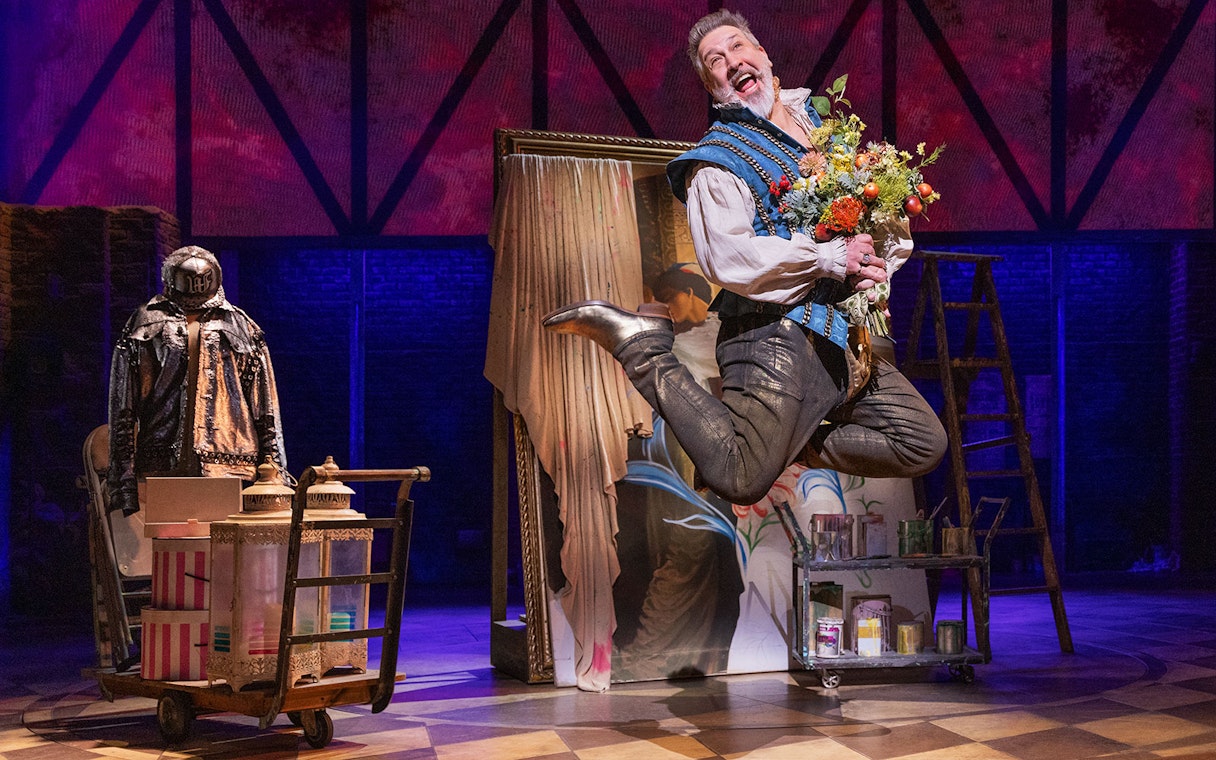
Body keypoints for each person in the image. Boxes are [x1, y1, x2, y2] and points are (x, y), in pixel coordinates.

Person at [544, 9, 946, 506]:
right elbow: (728, 258)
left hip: (844, 338)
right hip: (776, 338)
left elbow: (865, 214)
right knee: (740, 480)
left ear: (764, 56)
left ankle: (783, 447)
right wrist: (826, 259)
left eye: (738, 47)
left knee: (921, 443)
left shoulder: (821, 128)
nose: (731, 61)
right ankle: (642, 348)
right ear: (712, 86)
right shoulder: (717, 161)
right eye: (715, 60)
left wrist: (870, 257)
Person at [107, 245, 288, 515]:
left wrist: (274, 476)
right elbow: (123, 408)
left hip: (232, 465)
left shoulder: (241, 326)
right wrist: (124, 481)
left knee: (227, 549)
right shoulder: (144, 323)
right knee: (171, 549)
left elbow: (266, 409)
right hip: (162, 465)